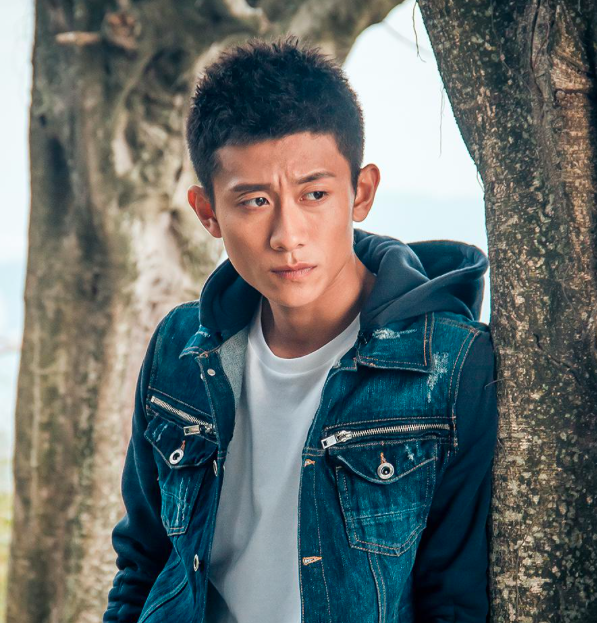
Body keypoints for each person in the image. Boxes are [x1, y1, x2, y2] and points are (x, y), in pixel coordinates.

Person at [102, 35, 498, 623]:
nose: (288, 235)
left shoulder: (452, 366)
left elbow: (455, 600)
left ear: (361, 193)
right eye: (254, 202)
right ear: (208, 212)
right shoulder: (179, 350)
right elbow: (143, 561)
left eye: (315, 194)